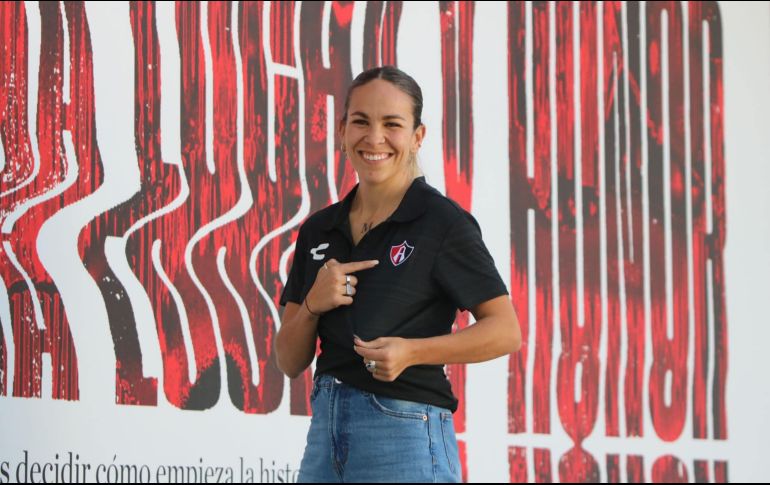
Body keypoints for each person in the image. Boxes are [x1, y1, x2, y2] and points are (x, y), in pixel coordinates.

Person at [276, 66, 521, 483]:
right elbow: (289, 359)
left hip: (405, 431)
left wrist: (412, 352)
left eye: (392, 124)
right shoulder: (319, 229)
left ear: (417, 137)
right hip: (325, 432)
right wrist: (313, 304)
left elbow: (506, 330)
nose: (374, 138)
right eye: (361, 122)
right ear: (342, 130)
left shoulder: (440, 221)